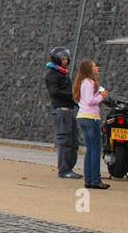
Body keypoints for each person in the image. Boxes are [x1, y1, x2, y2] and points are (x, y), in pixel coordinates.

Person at [45, 46, 82, 179]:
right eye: (63, 59)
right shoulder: (52, 74)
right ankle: (64, 170)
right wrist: (72, 96)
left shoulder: (63, 73)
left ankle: (69, 168)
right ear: (57, 59)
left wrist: (77, 100)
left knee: (73, 141)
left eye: (67, 59)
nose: (66, 61)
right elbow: (54, 92)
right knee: (65, 141)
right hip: (61, 110)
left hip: (69, 110)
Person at [74, 59, 110, 189]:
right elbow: (90, 100)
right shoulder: (89, 82)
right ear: (89, 69)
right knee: (95, 150)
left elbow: (82, 100)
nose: (97, 68)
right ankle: (95, 180)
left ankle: (89, 179)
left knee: (90, 149)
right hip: (91, 118)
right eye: (94, 66)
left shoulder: (82, 82)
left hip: (83, 116)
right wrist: (102, 97)